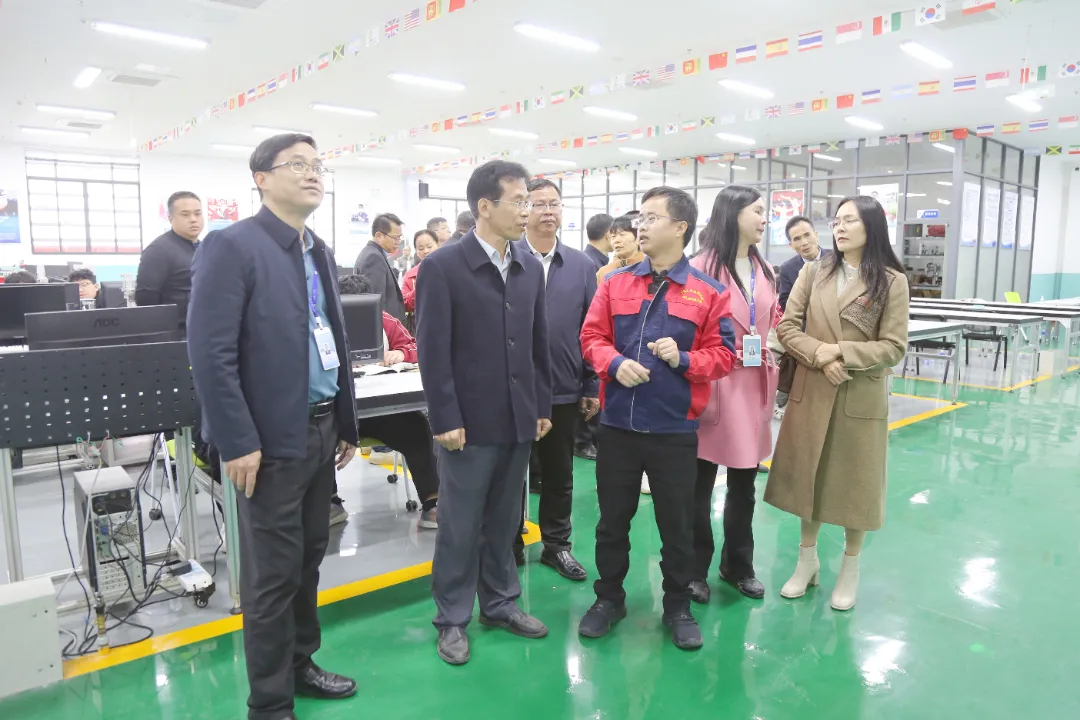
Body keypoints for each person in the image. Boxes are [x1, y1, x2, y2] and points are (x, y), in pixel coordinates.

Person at [187, 133, 360, 720]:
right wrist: (237, 440)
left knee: (309, 558)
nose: (313, 173)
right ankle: (269, 701)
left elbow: (332, 339)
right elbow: (211, 354)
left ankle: (300, 664)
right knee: (271, 574)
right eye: (297, 164)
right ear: (260, 178)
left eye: (318, 164)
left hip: (319, 430)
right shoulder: (231, 246)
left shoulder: (317, 249)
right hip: (266, 441)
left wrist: (344, 421)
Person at [578, 186, 737, 651]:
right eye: (639, 219)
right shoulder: (615, 283)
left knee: (677, 525)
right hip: (618, 427)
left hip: (674, 430)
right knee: (612, 522)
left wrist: (684, 358)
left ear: (680, 227)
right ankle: (608, 598)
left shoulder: (709, 292)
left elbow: (724, 356)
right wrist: (613, 364)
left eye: (651, 218)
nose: (640, 226)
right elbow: (590, 337)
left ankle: (678, 606)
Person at [416, 159, 552, 666]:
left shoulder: (528, 266)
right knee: (460, 523)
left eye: (529, 201)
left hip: (517, 416)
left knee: (504, 519)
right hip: (467, 423)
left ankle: (500, 603)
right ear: (485, 206)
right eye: (519, 201)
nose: (527, 211)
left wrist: (540, 404)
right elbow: (433, 350)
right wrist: (445, 417)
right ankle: (452, 617)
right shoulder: (443, 267)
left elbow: (537, 343)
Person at [765, 195, 909, 612]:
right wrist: (820, 356)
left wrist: (840, 353)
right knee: (808, 477)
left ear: (872, 227)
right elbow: (787, 327)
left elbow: (894, 346)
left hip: (858, 394)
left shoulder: (891, 281)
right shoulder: (814, 271)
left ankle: (850, 568)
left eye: (850, 221)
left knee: (854, 484)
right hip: (813, 387)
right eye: (837, 221)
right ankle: (806, 561)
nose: (840, 228)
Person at [689, 186, 780, 605]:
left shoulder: (765, 269)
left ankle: (738, 565)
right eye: (757, 210)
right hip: (715, 382)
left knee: (744, 484)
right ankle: (694, 569)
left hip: (754, 383)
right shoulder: (699, 268)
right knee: (699, 485)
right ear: (733, 213)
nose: (764, 218)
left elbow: (772, 318)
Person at [511, 178, 598, 581]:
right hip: (513, 387)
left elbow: (591, 328)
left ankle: (556, 546)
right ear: (523, 209)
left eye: (555, 204)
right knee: (510, 472)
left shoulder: (580, 265)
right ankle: (508, 542)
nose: (548, 211)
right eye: (539, 203)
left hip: (563, 385)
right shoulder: (507, 258)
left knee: (559, 473)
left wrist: (591, 384)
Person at [329, 274, 439, 529]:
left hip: (379, 410)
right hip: (337, 411)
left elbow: (417, 347)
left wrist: (401, 353)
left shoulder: (385, 321)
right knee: (318, 434)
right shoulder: (324, 324)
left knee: (416, 426)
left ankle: (432, 501)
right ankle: (330, 501)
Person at [136, 191, 203, 330]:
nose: (193, 219)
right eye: (185, 214)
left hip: (204, 328)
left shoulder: (204, 247)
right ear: (170, 218)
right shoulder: (158, 250)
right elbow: (145, 299)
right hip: (178, 332)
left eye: (197, 214)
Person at [353, 213, 407, 323]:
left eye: (400, 237)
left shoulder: (372, 253)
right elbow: (377, 304)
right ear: (379, 236)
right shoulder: (373, 258)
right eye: (395, 237)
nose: (398, 242)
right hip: (385, 328)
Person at [779, 216, 829, 311]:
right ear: (791, 245)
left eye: (807, 235)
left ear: (816, 235)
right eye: (797, 239)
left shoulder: (836, 258)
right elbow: (786, 304)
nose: (804, 242)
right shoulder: (787, 269)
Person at [596, 214, 646, 284]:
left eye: (622, 235)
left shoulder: (649, 268)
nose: (616, 240)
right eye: (613, 236)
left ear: (638, 238)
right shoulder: (603, 273)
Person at [402, 229, 439, 314]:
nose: (426, 251)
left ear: (438, 244)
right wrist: (420, 288)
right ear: (416, 251)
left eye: (429, 246)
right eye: (421, 248)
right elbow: (404, 304)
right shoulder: (410, 276)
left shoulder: (450, 267)